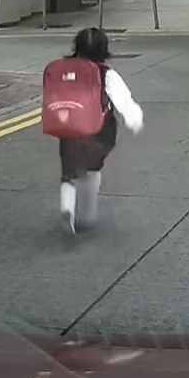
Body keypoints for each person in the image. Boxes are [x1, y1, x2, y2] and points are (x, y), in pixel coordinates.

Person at [57, 27, 144, 234]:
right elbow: (124, 101)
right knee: (92, 169)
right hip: (98, 131)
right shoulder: (107, 74)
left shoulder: (65, 70)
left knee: (70, 172)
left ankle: (67, 208)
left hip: (69, 130)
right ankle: (87, 214)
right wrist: (135, 120)